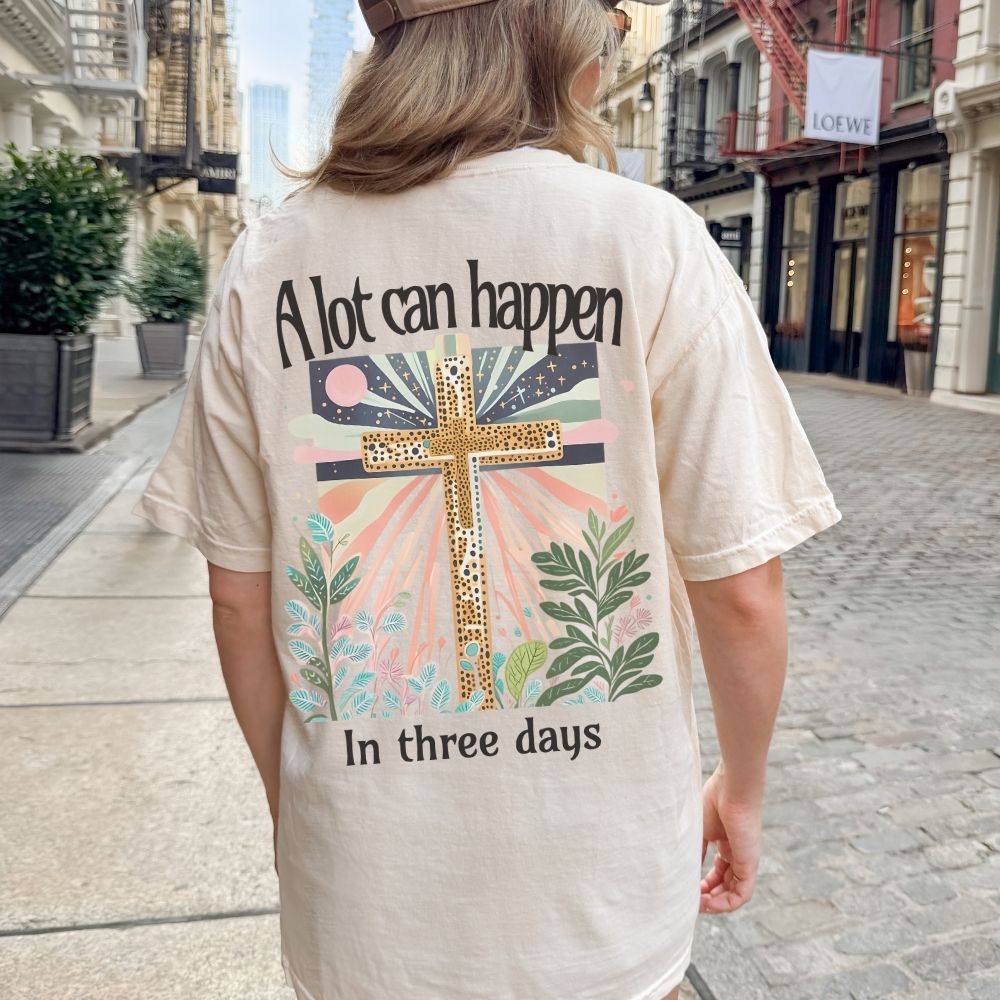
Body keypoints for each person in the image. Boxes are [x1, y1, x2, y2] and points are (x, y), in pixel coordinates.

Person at [134, 1, 842, 997]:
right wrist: (745, 788)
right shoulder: (650, 242)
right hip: (598, 892)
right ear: (557, 37)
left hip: (371, 905)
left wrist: (297, 803)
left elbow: (238, 597)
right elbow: (740, 588)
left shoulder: (269, 263)